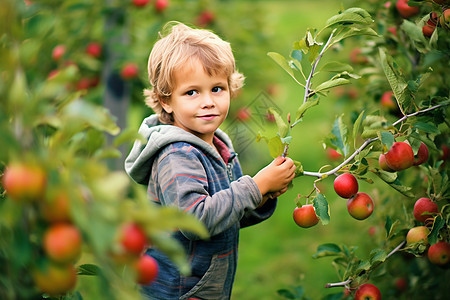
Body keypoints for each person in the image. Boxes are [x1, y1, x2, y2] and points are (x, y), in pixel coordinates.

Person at [125, 21, 296, 300]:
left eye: (217, 88)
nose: (208, 101)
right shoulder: (177, 155)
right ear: (166, 101)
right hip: (176, 290)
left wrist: (262, 194)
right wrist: (255, 186)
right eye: (192, 92)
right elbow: (198, 220)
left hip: (201, 285)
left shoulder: (217, 144)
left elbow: (226, 213)